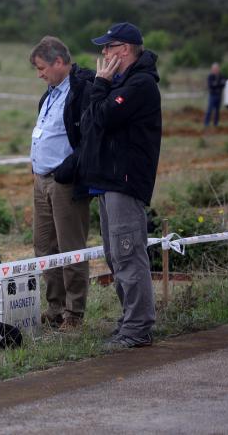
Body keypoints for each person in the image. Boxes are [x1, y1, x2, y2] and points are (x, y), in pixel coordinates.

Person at [79, 22, 162, 349]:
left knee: (128, 254)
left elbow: (103, 118)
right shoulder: (120, 83)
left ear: (124, 49)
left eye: (108, 47)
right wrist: (102, 87)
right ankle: (130, 322)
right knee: (116, 256)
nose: (103, 53)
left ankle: (138, 329)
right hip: (107, 179)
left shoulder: (140, 85)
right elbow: (89, 121)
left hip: (124, 181)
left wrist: (100, 84)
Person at [29, 36, 94, 331]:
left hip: (65, 182)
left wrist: (71, 169)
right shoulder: (50, 93)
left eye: (42, 67)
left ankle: (74, 313)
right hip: (41, 182)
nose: (39, 74)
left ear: (58, 62)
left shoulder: (81, 91)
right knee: (44, 248)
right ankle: (55, 308)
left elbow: (91, 138)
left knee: (71, 248)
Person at [204, 62, 225, 127]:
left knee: (217, 111)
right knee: (210, 109)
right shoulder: (210, 76)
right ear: (212, 69)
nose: (216, 70)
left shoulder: (221, 75)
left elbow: (223, 83)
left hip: (219, 95)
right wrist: (217, 84)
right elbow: (211, 85)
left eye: (217, 68)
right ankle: (206, 123)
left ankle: (216, 123)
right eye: (214, 69)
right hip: (212, 95)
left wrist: (216, 84)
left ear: (218, 69)